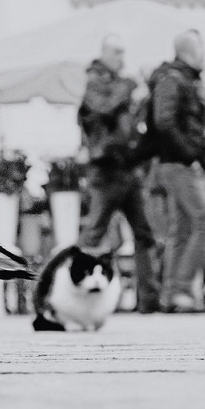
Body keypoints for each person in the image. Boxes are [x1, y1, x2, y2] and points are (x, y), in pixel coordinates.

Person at [78, 34, 161, 314]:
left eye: (123, 53)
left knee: (144, 233)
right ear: (103, 53)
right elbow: (104, 109)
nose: (121, 59)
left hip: (127, 169)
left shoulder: (116, 85)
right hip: (105, 171)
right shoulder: (95, 82)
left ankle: (149, 300)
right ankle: (77, 292)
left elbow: (129, 119)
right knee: (94, 233)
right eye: (116, 52)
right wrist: (128, 85)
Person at [153, 29, 205, 312]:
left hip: (178, 164)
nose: (204, 53)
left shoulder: (182, 78)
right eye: (200, 48)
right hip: (180, 165)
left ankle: (171, 295)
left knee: (180, 231)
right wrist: (192, 154)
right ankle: (180, 289)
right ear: (189, 51)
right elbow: (164, 122)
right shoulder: (174, 79)